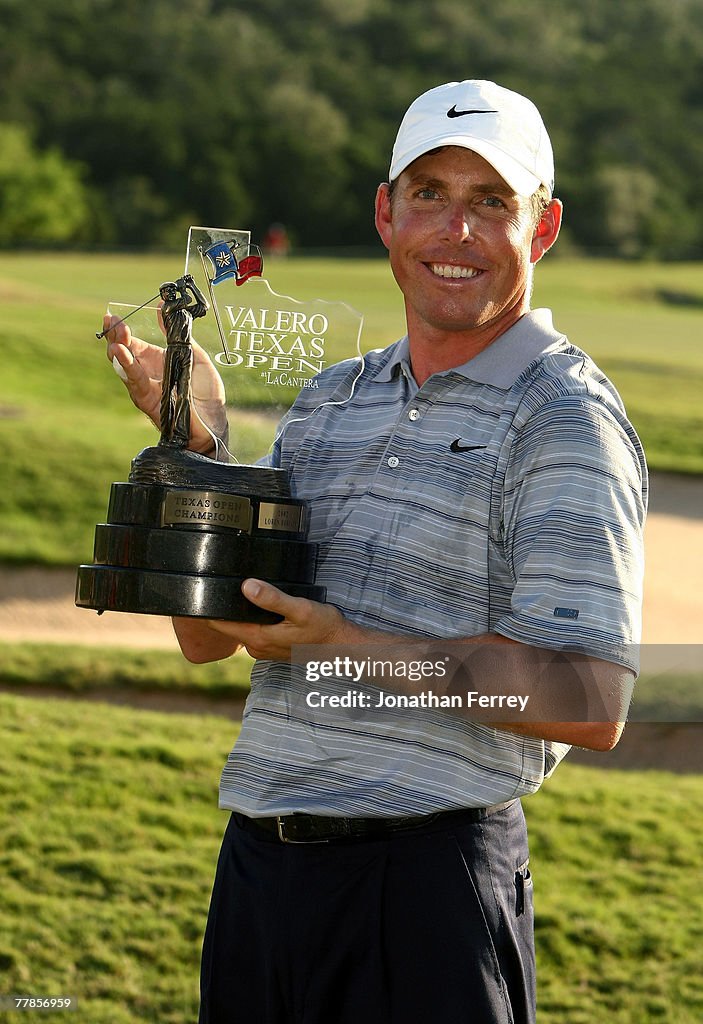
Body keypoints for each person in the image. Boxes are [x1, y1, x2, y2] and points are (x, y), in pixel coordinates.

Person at [104, 80, 647, 1024]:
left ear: (543, 227)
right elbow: (212, 636)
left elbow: (588, 700)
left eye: (492, 202)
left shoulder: (563, 419)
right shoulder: (329, 400)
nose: (456, 231)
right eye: (430, 194)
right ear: (384, 212)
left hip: (425, 891)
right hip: (261, 875)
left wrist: (335, 647)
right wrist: (202, 450)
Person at [157, 274, 209, 447]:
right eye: (167, 291)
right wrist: (182, 288)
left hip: (187, 350)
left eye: (172, 289)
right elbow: (185, 299)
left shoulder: (186, 312)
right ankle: (165, 434)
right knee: (167, 393)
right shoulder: (167, 307)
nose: (170, 293)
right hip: (173, 350)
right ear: (162, 296)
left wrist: (192, 285)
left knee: (183, 394)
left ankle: (181, 436)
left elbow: (204, 306)